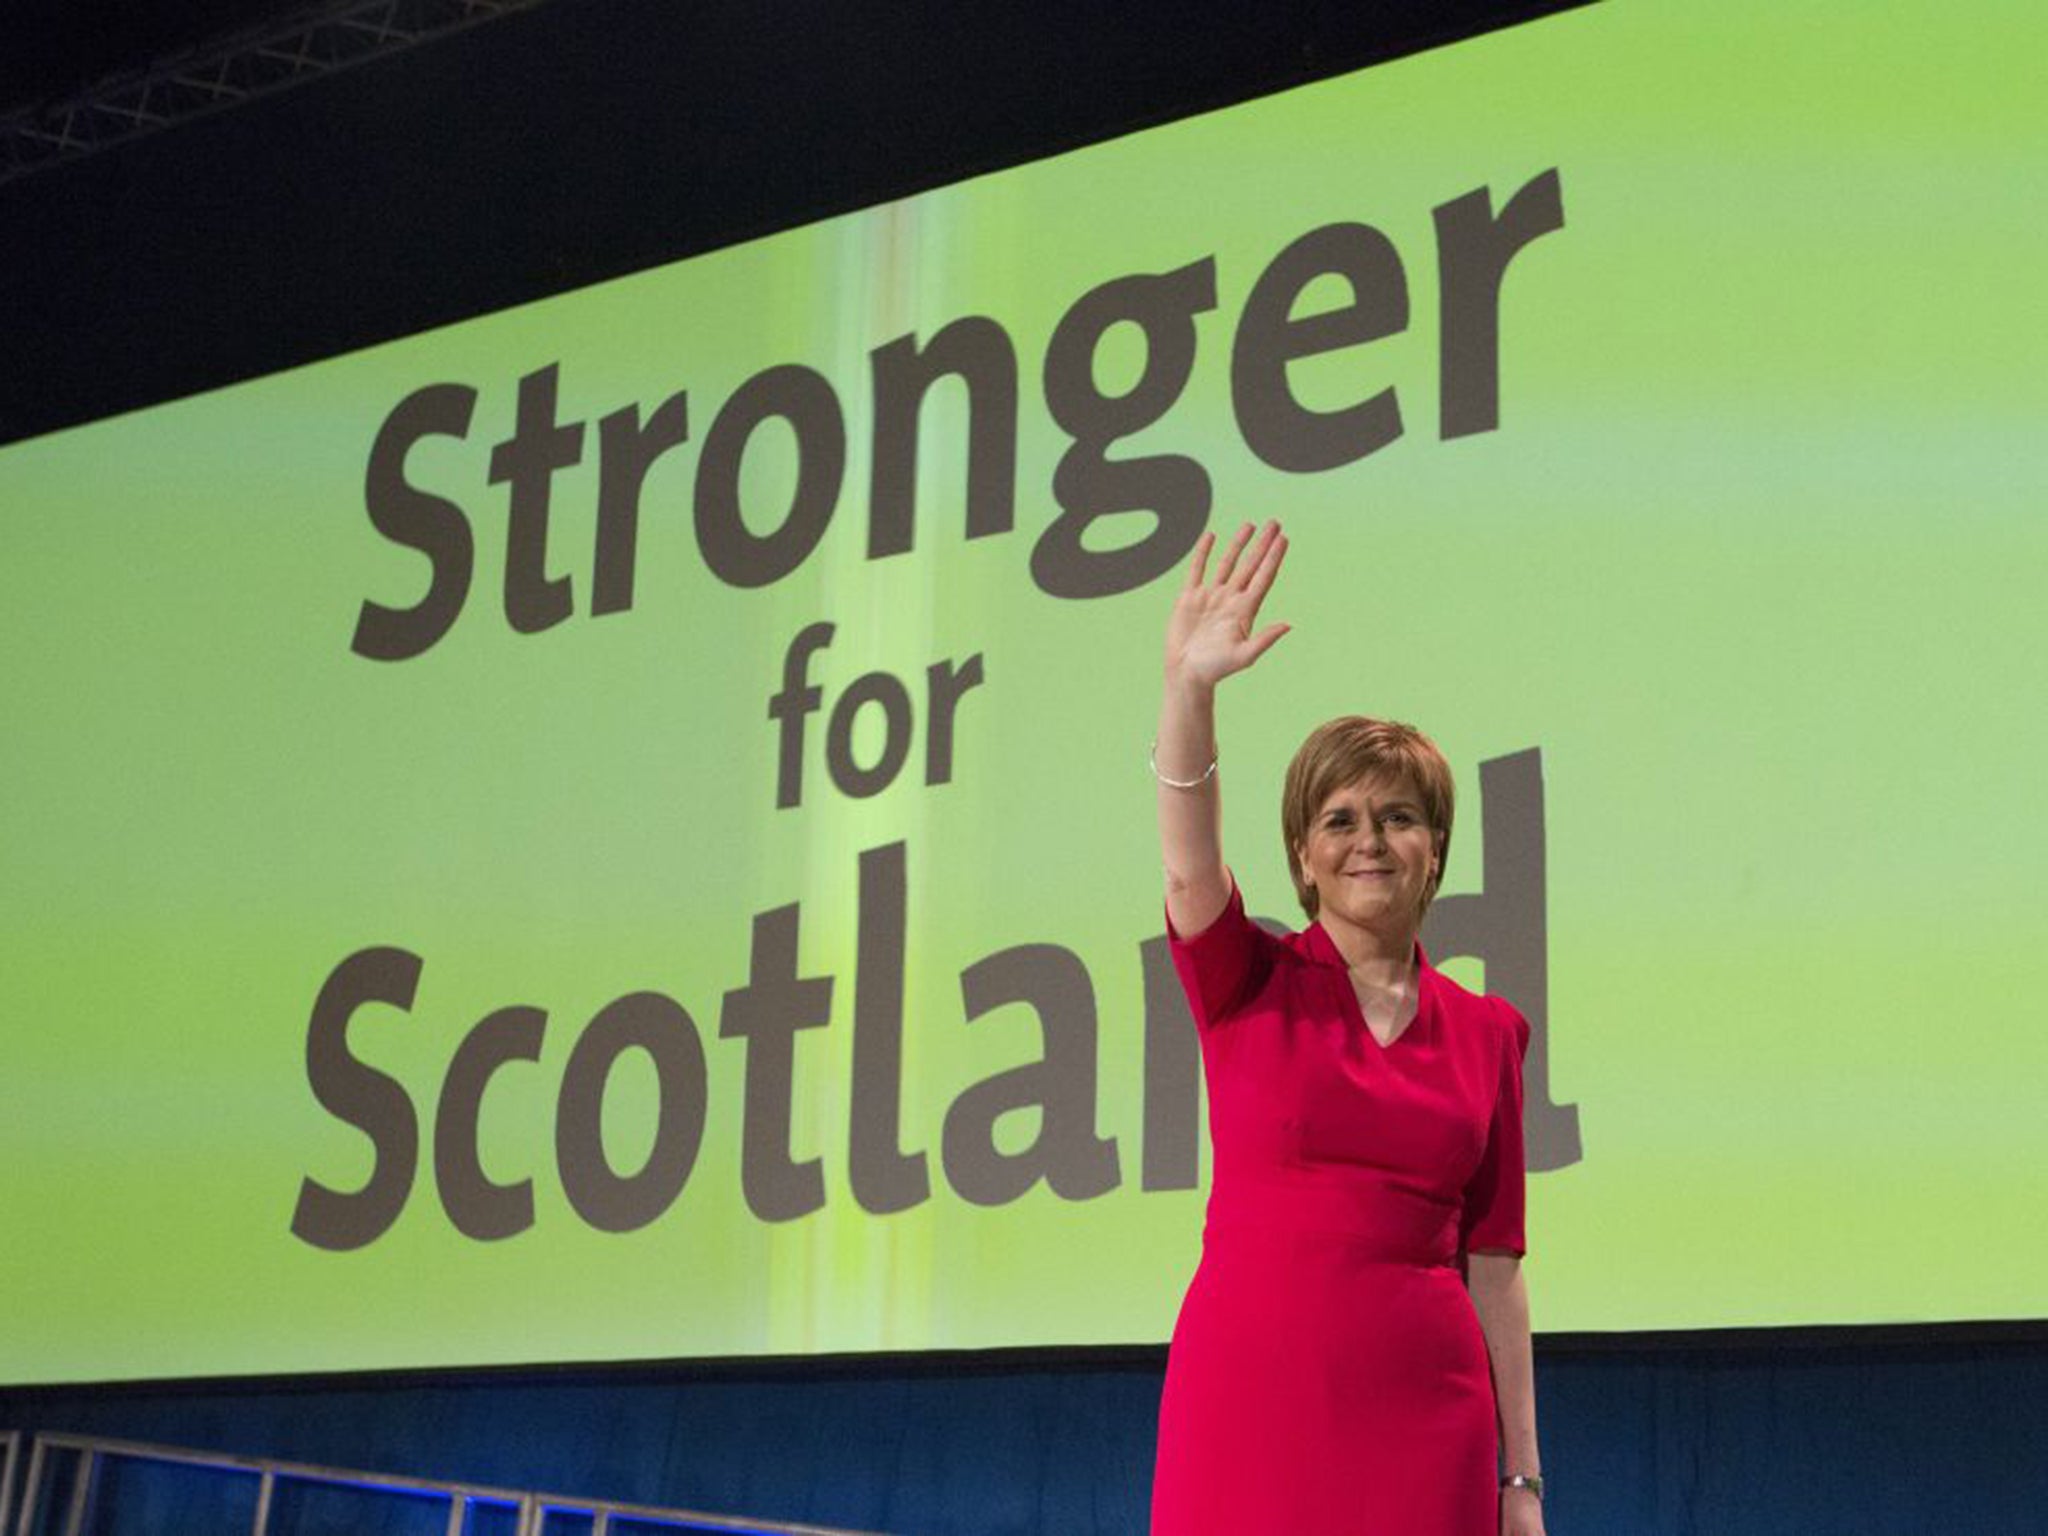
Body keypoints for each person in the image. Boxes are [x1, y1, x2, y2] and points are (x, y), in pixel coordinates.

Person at [1148, 520, 1546, 1536]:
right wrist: (1188, 690)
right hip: (1247, 1408)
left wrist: (1520, 1484)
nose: (1369, 841)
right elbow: (1190, 860)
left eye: (1399, 817)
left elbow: (1494, 1273)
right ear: (1301, 856)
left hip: (1426, 1419)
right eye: (1339, 820)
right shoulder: (1248, 980)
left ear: (1435, 848)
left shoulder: (1489, 1032)